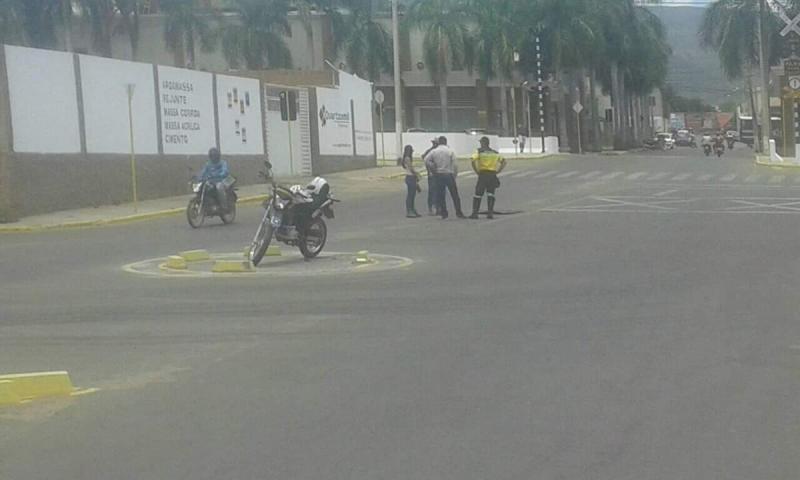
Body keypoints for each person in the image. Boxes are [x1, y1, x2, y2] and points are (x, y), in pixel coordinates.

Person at [425, 136, 465, 219]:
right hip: (448, 173)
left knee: (441, 195)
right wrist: (455, 174)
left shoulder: (434, 151)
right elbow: (455, 164)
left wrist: (433, 167)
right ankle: (458, 212)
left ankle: (444, 212)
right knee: (454, 194)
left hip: (439, 174)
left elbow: (426, 160)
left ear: (439, 142)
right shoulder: (450, 151)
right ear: (446, 142)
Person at [470, 137, 506, 219]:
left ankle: (475, 213)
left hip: (483, 174)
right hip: (492, 174)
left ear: (483, 143)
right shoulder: (495, 152)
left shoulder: (479, 151)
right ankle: (490, 213)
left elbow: (472, 160)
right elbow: (504, 161)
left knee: (478, 194)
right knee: (491, 194)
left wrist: (476, 170)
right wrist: (498, 171)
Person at [401, 145, 421, 218]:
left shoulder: (407, 158)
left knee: (412, 195)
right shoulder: (407, 158)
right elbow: (411, 169)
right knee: (410, 195)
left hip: (410, 177)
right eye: (411, 150)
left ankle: (412, 210)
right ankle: (409, 210)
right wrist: (417, 174)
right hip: (410, 177)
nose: (412, 151)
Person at [421, 139, 439, 216]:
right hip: (433, 174)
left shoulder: (432, 151)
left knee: (435, 191)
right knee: (433, 191)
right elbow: (424, 157)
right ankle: (433, 207)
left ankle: (435, 207)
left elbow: (423, 157)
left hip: (434, 174)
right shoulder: (432, 151)